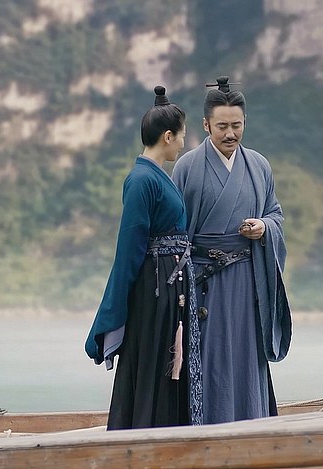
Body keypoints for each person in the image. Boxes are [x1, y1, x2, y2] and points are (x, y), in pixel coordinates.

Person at [172, 76, 291, 424]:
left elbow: (275, 215)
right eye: (222, 126)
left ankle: (252, 425)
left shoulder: (259, 166)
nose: (230, 134)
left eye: (236, 125)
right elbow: (175, 232)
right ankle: (205, 427)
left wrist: (264, 227)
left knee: (246, 357)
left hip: (246, 282)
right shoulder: (187, 167)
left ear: (245, 123)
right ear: (206, 125)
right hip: (203, 284)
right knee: (209, 359)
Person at [85, 86, 202, 429]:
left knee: (167, 361)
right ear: (168, 136)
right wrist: (113, 309)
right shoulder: (141, 180)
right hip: (155, 292)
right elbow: (130, 248)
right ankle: (146, 434)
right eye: (182, 136)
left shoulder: (156, 177)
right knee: (155, 360)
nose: (183, 143)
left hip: (168, 287)